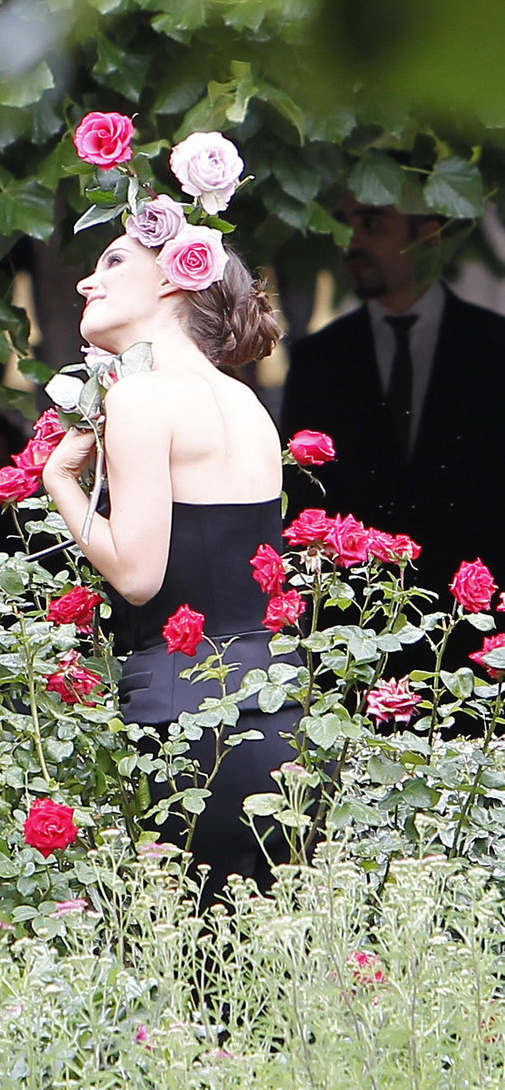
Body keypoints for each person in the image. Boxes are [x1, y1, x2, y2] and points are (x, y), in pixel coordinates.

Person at [42, 222, 301, 902]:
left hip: (188, 711)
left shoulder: (141, 397)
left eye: (113, 260)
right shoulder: (243, 400)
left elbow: (136, 574)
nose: (85, 282)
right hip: (280, 709)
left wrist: (61, 485)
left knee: (193, 971)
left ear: (168, 279)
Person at [280, 195, 505, 649]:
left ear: (427, 233)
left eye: (373, 224)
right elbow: (302, 496)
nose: (352, 242)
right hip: (354, 635)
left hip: (484, 631)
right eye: (345, 224)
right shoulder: (316, 360)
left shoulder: (497, 346)